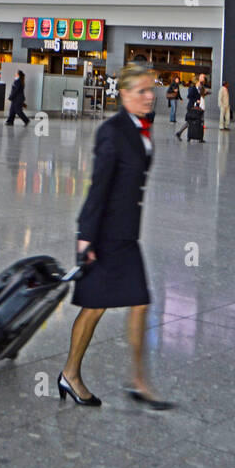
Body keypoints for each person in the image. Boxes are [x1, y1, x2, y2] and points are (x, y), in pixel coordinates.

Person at [59, 62, 171, 411]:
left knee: (140, 301)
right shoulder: (112, 131)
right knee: (94, 308)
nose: (150, 96)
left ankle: (138, 380)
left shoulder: (140, 127)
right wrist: (85, 237)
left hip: (126, 234)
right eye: (142, 91)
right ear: (123, 95)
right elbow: (98, 187)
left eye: (151, 89)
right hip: (106, 234)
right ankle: (70, 374)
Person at [175, 75, 202, 141]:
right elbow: (189, 96)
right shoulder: (193, 88)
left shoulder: (198, 89)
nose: (200, 84)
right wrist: (196, 100)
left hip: (195, 107)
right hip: (191, 107)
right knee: (189, 122)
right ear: (196, 83)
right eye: (199, 83)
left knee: (191, 122)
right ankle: (181, 134)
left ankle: (186, 135)